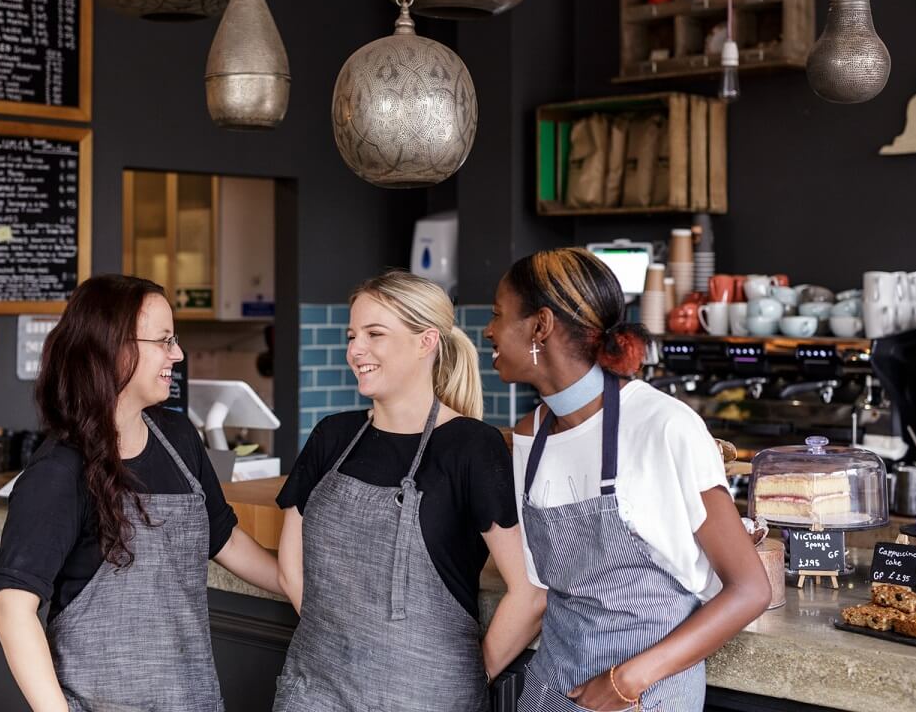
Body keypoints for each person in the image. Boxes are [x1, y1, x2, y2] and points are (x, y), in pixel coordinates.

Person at [483, 249, 770, 712]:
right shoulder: (529, 435)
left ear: (540, 326)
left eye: (498, 315)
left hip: (645, 697)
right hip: (550, 693)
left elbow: (750, 588)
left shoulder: (664, 426)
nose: (489, 330)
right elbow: (540, 589)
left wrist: (628, 680)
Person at [0, 275, 281, 712]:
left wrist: (296, 584)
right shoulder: (59, 469)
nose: (178, 354)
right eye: (164, 341)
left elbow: (226, 539)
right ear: (116, 349)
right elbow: (12, 608)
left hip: (194, 700)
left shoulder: (179, 438)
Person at [274, 270, 545, 712]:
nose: (355, 350)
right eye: (352, 335)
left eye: (374, 334)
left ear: (426, 342)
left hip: (425, 697)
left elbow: (530, 593)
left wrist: (458, 680)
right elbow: (291, 568)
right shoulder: (332, 436)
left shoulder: (471, 445)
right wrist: (349, 651)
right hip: (313, 690)